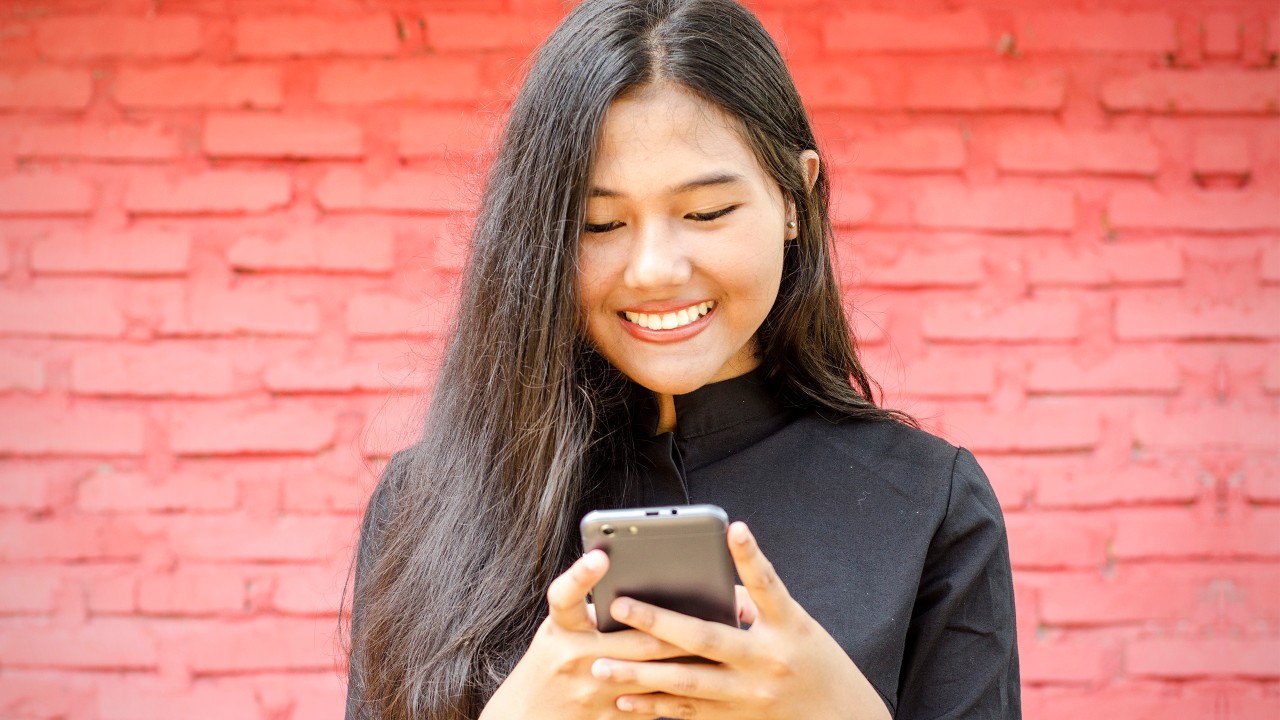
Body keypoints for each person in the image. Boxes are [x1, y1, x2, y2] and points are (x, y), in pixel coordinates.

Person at [343, 0, 1020, 718]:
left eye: (706, 213)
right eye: (600, 223)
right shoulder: (429, 503)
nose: (655, 270)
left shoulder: (927, 505)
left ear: (797, 198)